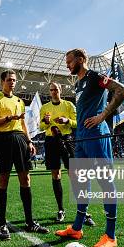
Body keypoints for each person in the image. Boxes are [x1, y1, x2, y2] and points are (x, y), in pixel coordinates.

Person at [55, 48, 124, 247]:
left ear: (80, 59)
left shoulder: (95, 76)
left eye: (69, 61)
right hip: (81, 138)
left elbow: (122, 90)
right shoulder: (78, 83)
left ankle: (110, 236)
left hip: (97, 136)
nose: (67, 65)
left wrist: (103, 115)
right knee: (81, 182)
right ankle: (77, 228)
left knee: (105, 182)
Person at [0, 70, 49, 241]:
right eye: (9, 80)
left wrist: (29, 142)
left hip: (20, 139)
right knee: (3, 180)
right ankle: (2, 224)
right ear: (2, 82)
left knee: (26, 179)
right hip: (2, 139)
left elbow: (22, 123)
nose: (12, 83)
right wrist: (7, 118)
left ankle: (29, 222)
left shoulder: (20, 101)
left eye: (14, 80)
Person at [40, 82, 95, 225]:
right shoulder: (45, 107)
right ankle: (60, 210)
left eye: (56, 89)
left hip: (67, 139)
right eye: (51, 90)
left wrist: (67, 120)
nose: (53, 92)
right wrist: (45, 122)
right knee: (55, 174)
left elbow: (78, 122)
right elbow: (41, 126)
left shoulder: (69, 105)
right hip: (51, 141)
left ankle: (83, 211)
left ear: (60, 89)